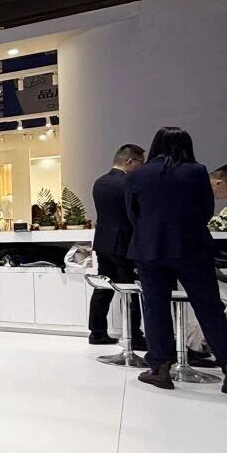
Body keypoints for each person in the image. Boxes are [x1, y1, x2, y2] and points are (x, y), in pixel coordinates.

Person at [125, 127, 227, 394]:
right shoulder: (197, 172)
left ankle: (160, 368)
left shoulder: (138, 175)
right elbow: (206, 211)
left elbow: (132, 213)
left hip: (149, 248)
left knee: (155, 307)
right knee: (209, 307)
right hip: (192, 248)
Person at [88, 144, 146, 348]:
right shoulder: (129, 183)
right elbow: (135, 215)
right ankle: (133, 335)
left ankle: (97, 332)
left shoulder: (100, 182)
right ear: (129, 161)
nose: (142, 167)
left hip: (103, 242)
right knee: (129, 289)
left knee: (103, 287)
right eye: (141, 163)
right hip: (124, 243)